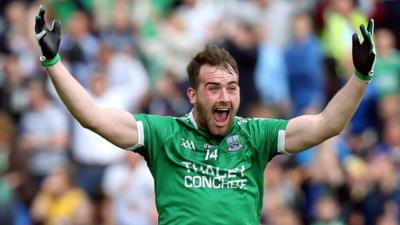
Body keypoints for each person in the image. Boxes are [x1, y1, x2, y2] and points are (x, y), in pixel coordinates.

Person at [34, 4, 376, 225]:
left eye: (232, 87)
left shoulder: (257, 135)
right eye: (213, 88)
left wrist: (360, 77)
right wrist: (53, 63)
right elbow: (92, 116)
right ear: (192, 94)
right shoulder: (163, 133)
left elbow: (328, 123)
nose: (225, 96)